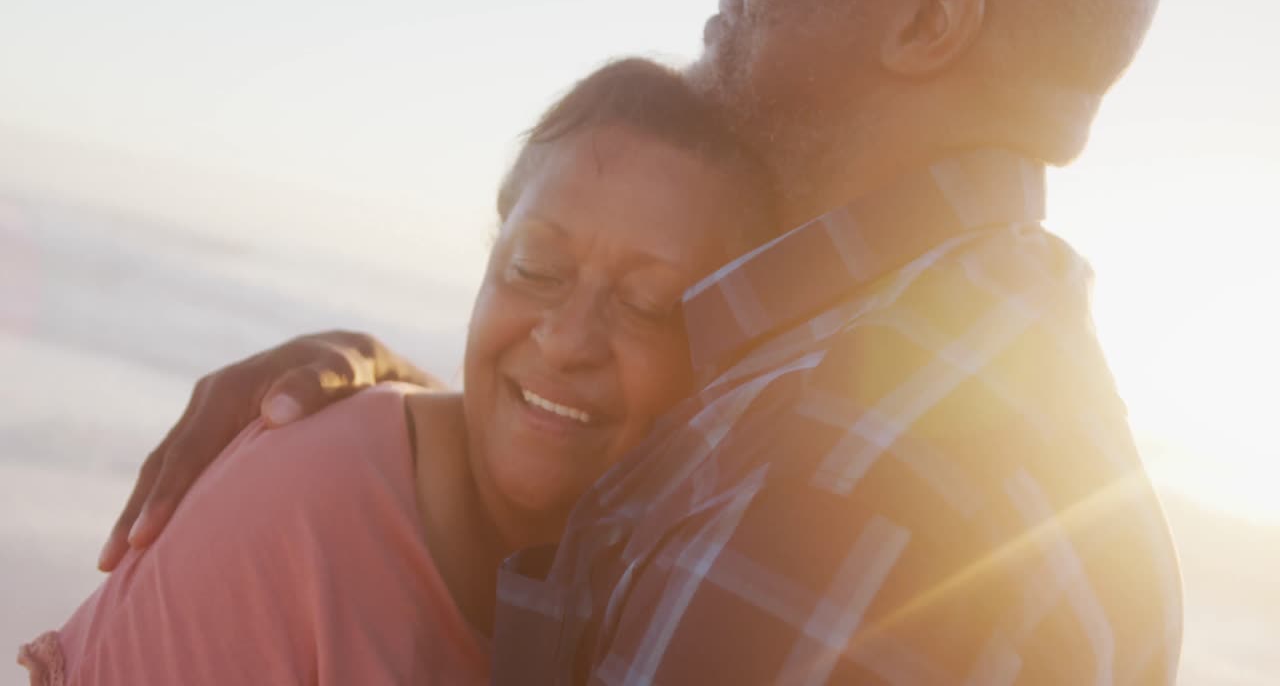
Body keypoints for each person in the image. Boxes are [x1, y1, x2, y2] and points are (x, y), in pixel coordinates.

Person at [93, 0, 1183, 683]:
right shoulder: (1008, 377)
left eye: (651, 305)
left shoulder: (833, 463)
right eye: (535, 268)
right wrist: (409, 433)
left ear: (929, 18)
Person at [18, 59, 777, 685]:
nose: (567, 341)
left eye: (646, 306)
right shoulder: (302, 504)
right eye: (536, 269)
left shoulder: (675, 584)